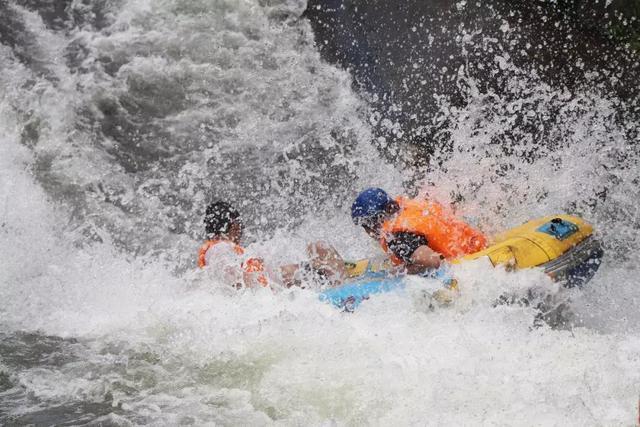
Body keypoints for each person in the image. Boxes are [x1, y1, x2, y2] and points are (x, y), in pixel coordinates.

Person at [198, 201, 346, 289]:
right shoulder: (219, 249)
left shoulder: (218, 250)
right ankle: (343, 287)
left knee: (314, 254)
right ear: (234, 225)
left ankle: (327, 272)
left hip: (275, 289)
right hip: (270, 294)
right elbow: (237, 281)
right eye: (240, 225)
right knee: (319, 247)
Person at [350, 188, 487, 274]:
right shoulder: (414, 206)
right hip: (479, 247)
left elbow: (431, 260)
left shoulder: (396, 237)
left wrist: (400, 272)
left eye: (365, 227)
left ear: (373, 223)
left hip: (472, 268)